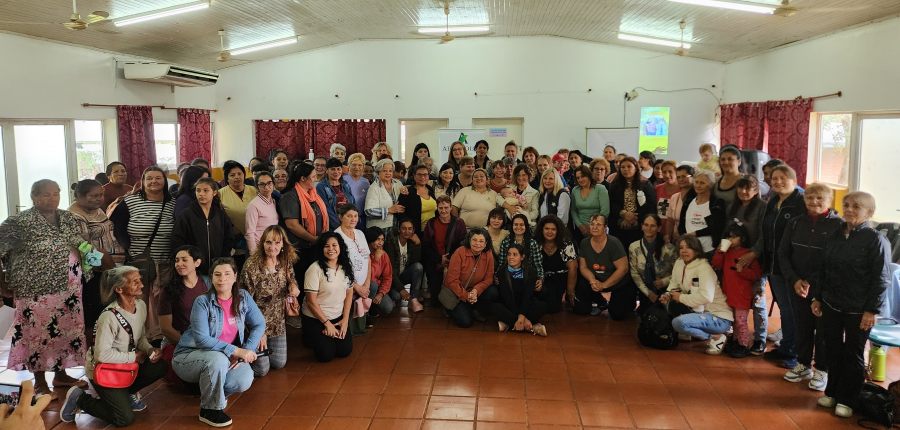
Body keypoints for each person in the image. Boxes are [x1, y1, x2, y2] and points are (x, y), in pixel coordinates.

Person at [0, 179, 88, 397]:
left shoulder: (68, 218)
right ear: (34, 197)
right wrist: (1, 283)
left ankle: (61, 374)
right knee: (36, 335)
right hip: (35, 290)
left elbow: (82, 244)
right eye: (46, 194)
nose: (53, 198)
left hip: (68, 289)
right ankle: (39, 381)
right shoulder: (19, 222)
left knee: (65, 331)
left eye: (56, 193)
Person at [812, 191, 891, 419]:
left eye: (856, 206)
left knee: (853, 354)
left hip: (859, 309)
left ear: (869, 212)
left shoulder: (876, 239)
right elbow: (823, 269)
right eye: (846, 205)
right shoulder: (835, 234)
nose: (849, 210)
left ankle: (849, 398)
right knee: (832, 349)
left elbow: (880, 278)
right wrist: (818, 297)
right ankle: (833, 393)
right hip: (831, 303)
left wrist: (872, 310)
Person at [60, 266, 166, 426]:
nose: (142, 285)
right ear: (119, 289)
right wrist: (134, 356)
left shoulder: (141, 306)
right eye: (135, 282)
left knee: (160, 366)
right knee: (124, 418)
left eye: (140, 280)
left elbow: (140, 337)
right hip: (105, 370)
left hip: (125, 367)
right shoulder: (108, 317)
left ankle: (126, 392)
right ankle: (79, 399)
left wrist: (150, 349)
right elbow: (101, 355)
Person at [173, 258, 265, 427]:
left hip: (223, 355)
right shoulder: (202, 302)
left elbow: (259, 323)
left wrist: (247, 350)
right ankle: (209, 410)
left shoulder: (243, 297)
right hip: (188, 357)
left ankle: (214, 396)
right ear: (212, 278)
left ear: (235, 276)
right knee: (218, 360)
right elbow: (202, 339)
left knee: (245, 377)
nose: (222, 278)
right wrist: (236, 351)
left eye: (227, 274)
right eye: (217, 274)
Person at [778, 183, 842, 389]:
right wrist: (795, 280)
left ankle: (822, 370)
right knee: (802, 326)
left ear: (829, 201)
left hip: (824, 288)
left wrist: (813, 284)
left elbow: (835, 260)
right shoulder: (796, 222)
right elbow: (783, 254)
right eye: (810, 198)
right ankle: (803, 364)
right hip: (797, 285)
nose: (814, 202)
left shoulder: (838, 226)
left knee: (823, 330)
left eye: (819, 198)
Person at [110, 166, 176, 344]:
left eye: (158, 178)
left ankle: (159, 337)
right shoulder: (130, 201)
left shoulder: (172, 202)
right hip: (138, 261)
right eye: (149, 178)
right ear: (143, 181)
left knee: (160, 300)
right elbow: (117, 227)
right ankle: (138, 339)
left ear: (165, 181)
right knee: (138, 298)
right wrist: (129, 247)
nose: (154, 181)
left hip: (165, 260)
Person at [755, 164, 806, 368]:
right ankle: (786, 347)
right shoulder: (773, 200)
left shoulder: (800, 201)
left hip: (793, 267)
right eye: (774, 178)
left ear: (793, 180)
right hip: (774, 265)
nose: (777, 182)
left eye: (783, 178)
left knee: (795, 311)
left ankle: (794, 353)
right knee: (785, 309)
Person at [240, 225, 300, 377]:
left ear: (283, 244)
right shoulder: (251, 265)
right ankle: (240, 358)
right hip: (256, 323)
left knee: (279, 363)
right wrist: (258, 331)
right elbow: (244, 302)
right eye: (268, 242)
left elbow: (291, 279)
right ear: (262, 243)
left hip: (277, 322)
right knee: (262, 370)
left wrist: (294, 287)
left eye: (277, 242)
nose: (272, 247)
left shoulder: (284, 261)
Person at [661, 236, 734, 355]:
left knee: (678, 323)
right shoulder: (679, 263)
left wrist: (680, 297)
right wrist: (668, 294)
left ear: (697, 250)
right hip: (698, 311)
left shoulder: (704, 268)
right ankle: (692, 332)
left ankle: (717, 337)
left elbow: (706, 297)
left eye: (688, 247)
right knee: (669, 306)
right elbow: (674, 283)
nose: (684, 251)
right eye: (681, 248)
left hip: (719, 317)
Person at [69, 179, 122, 342]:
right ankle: (93, 351)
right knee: (93, 312)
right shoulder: (74, 216)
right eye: (94, 196)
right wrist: (109, 266)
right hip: (92, 271)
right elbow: (83, 248)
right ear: (80, 196)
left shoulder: (97, 209)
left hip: (108, 267)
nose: (99, 198)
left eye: (101, 195)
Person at [726, 175, 769, 355]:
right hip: (736, 257)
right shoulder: (732, 207)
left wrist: (753, 253)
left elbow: (764, 234)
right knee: (736, 299)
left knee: (757, 300)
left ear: (756, 190)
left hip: (756, 258)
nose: (744, 192)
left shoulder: (762, 208)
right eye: (741, 188)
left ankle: (760, 339)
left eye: (749, 188)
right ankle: (738, 337)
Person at [302, 232, 355, 362]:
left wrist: (345, 320)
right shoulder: (314, 269)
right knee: (326, 355)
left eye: (334, 245)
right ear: (321, 249)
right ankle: (310, 336)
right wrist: (327, 324)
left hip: (337, 316)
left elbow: (349, 293)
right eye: (326, 246)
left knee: (344, 351)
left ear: (340, 247)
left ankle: (327, 336)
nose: (331, 249)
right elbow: (311, 302)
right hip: (316, 318)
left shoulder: (346, 267)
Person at [711, 223, 762, 358]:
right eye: (728, 237)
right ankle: (735, 341)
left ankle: (743, 344)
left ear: (742, 238)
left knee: (741, 321)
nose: (730, 240)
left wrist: (743, 271)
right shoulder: (726, 253)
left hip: (741, 295)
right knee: (733, 321)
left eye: (734, 237)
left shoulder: (747, 254)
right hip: (728, 293)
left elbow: (756, 274)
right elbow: (716, 264)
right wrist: (720, 251)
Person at [573, 214, 634, 320]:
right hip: (596, 280)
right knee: (581, 309)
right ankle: (600, 301)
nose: (594, 227)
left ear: (605, 227)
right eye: (592, 224)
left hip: (616, 282)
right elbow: (583, 267)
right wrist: (592, 280)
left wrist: (604, 285)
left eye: (598, 224)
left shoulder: (614, 243)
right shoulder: (584, 243)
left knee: (618, 314)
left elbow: (623, 268)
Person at [172, 177, 235, 274]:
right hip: (194, 267)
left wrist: (222, 258)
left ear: (214, 193)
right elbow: (178, 240)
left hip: (217, 267)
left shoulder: (220, 214)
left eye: (206, 190)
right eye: (198, 190)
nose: (201, 194)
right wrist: (190, 260)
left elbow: (229, 237)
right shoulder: (186, 215)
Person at [281, 161, 329, 281]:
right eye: (313, 176)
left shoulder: (313, 194)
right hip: (299, 248)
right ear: (303, 178)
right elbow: (292, 225)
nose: (316, 178)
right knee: (302, 280)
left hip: (313, 245)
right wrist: (313, 239)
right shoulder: (290, 196)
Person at [442, 228, 497, 328]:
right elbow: (452, 280)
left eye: (481, 241)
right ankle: (449, 308)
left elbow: (489, 278)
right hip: (456, 292)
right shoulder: (459, 252)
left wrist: (476, 290)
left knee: (493, 291)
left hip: (474, 291)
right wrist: (466, 295)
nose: (477, 244)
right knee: (465, 322)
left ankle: (475, 309)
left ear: (485, 244)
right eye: (474, 240)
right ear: (469, 240)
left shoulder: (488, 254)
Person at [159, 246, 209, 349]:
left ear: (197, 263)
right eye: (176, 260)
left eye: (184, 260)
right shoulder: (168, 290)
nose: (179, 264)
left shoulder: (208, 283)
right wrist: (190, 344)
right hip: (179, 343)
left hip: (206, 340)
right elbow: (166, 328)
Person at [493, 243, 548, 336]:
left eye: (515, 254)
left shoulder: (530, 271)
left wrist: (521, 316)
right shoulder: (502, 272)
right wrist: (522, 319)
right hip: (510, 305)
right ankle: (531, 326)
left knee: (542, 306)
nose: (511, 257)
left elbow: (528, 295)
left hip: (525, 303)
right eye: (509, 254)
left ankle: (508, 324)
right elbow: (506, 297)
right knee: (495, 307)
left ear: (522, 257)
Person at [422, 196, 467, 306]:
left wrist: (449, 259)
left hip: (454, 261)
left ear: (451, 208)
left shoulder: (459, 223)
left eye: (446, 207)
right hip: (435, 262)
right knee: (436, 301)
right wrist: (439, 259)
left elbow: (462, 244)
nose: (443, 211)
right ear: (437, 208)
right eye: (440, 208)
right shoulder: (431, 223)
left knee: (451, 294)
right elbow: (426, 246)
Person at [628, 214, 677, 313]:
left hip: (666, 290)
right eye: (646, 225)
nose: (648, 228)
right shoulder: (634, 247)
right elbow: (634, 273)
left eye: (653, 226)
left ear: (659, 228)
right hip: (645, 290)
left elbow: (677, 273)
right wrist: (648, 293)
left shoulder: (669, 248)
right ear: (642, 226)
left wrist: (664, 281)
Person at [608, 156, 657, 248]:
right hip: (619, 225)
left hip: (639, 226)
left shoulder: (645, 184)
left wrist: (635, 218)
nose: (626, 169)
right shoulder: (615, 185)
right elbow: (611, 203)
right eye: (622, 167)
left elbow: (651, 205)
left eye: (629, 166)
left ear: (636, 168)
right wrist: (623, 214)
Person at [334, 204, 374, 314]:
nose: (353, 219)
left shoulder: (360, 233)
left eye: (355, 216)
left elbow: (368, 259)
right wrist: (356, 287)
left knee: (360, 325)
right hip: (348, 286)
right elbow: (338, 266)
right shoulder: (336, 236)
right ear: (341, 217)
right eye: (349, 216)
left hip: (363, 285)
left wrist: (366, 283)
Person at [676, 169, 726, 255]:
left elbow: (717, 227)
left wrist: (695, 234)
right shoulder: (688, 202)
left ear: (710, 185)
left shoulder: (716, 203)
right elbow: (682, 224)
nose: (698, 185)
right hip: (688, 250)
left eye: (702, 183)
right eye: (696, 182)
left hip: (708, 250)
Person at [535, 215, 577, 313]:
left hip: (560, 279)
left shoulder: (565, 243)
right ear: (542, 230)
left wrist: (570, 291)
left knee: (552, 308)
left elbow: (573, 267)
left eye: (553, 229)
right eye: (547, 229)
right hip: (542, 279)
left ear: (558, 231)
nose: (550, 232)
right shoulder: (536, 243)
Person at [384, 218, 425, 313]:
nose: (407, 231)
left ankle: (414, 300)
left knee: (418, 267)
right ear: (399, 229)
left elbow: (416, 262)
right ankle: (390, 294)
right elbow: (390, 271)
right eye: (404, 228)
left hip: (402, 276)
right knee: (397, 296)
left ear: (413, 231)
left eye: (410, 229)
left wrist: (418, 244)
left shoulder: (411, 242)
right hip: (391, 278)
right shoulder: (391, 242)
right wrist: (401, 289)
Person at [497, 213, 544, 288]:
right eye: (515, 224)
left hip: (528, 276)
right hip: (510, 277)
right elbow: (502, 263)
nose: (518, 227)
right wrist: (497, 276)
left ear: (526, 226)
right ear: (512, 226)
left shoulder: (532, 243)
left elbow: (538, 265)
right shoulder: (506, 242)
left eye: (521, 225)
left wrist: (540, 279)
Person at [570, 165, 611, 245]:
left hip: (598, 227)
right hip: (580, 229)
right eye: (578, 178)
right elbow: (573, 210)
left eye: (583, 176)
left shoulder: (600, 189)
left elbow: (605, 211)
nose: (580, 180)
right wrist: (580, 226)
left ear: (589, 175)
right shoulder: (575, 190)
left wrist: (593, 226)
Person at [364, 158, 406, 231]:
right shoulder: (374, 188)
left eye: (390, 171)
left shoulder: (398, 183)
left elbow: (402, 202)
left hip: (396, 225)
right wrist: (389, 210)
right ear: (378, 172)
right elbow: (369, 211)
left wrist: (405, 194)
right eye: (384, 171)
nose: (388, 173)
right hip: (378, 229)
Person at [316, 157, 356, 228]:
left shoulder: (345, 184)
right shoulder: (321, 187)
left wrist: (353, 220)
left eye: (338, 169)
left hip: (349, 223)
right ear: (326, 170)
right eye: (333, 169)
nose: (336, 172)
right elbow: (326, 209)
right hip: (333, 225)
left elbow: (352, 203)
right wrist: (340, 226)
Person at [245, 171, 279, 251]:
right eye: (262, 184)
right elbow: (249, 233)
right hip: (259, 248)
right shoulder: (253, 205)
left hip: (272, 247)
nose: (266, 187)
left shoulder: (273, 201)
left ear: (273, 184)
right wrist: (254, 254)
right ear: (257, 187)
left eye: (269, 183)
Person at [398, 164, 436, 234]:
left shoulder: (430, 189)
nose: (423, 177)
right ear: (414, 176)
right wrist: (412, 233)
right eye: (419, 174)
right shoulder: (407, 191)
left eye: (425, 174)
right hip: (416, 232)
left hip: (432, 231)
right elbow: (401, 214)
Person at [366, 227, 394, 315]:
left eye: (382, 240)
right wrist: (375, 260)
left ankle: (373, 306)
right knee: (373, 285)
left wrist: (381, 293)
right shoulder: (364, 253)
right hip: (365, 287)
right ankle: (366, 313)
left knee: (388, 308)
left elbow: (388, 277)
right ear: (371, 239)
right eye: (378, 239)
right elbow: (369, 277)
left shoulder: (383, 254)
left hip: (377, 288)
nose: (380, 243)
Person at [664, 164, 694, 243]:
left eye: (684, 176)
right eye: (678, 177)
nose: (681, 179)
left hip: (693, 239)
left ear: (693, 177)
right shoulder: (674, 197)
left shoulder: (698, 197)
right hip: (677, 239)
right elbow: (670, 220)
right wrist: (668, 236)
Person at [344, 153, 371, 228]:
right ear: (349, 166)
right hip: (346, 218)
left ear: (363, 167)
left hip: (361, 218)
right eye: (354, 165)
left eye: (360, 165)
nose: (357, 167)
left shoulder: (366, 182)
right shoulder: (343, 179)